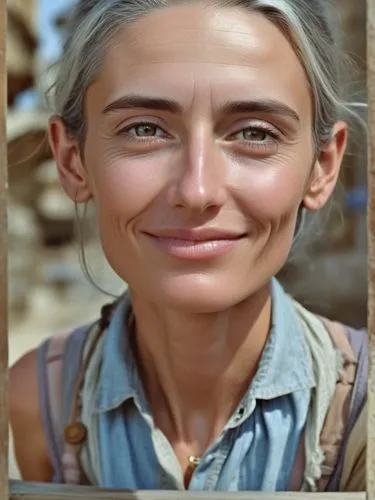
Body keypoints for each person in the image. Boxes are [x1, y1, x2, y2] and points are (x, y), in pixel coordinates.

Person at [9, 0, 367, 492]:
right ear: (73, 161)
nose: (197, 191)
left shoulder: (362, 414)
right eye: (144, 129)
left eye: (255, 134)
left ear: (323, 166)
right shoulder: (36, 401)